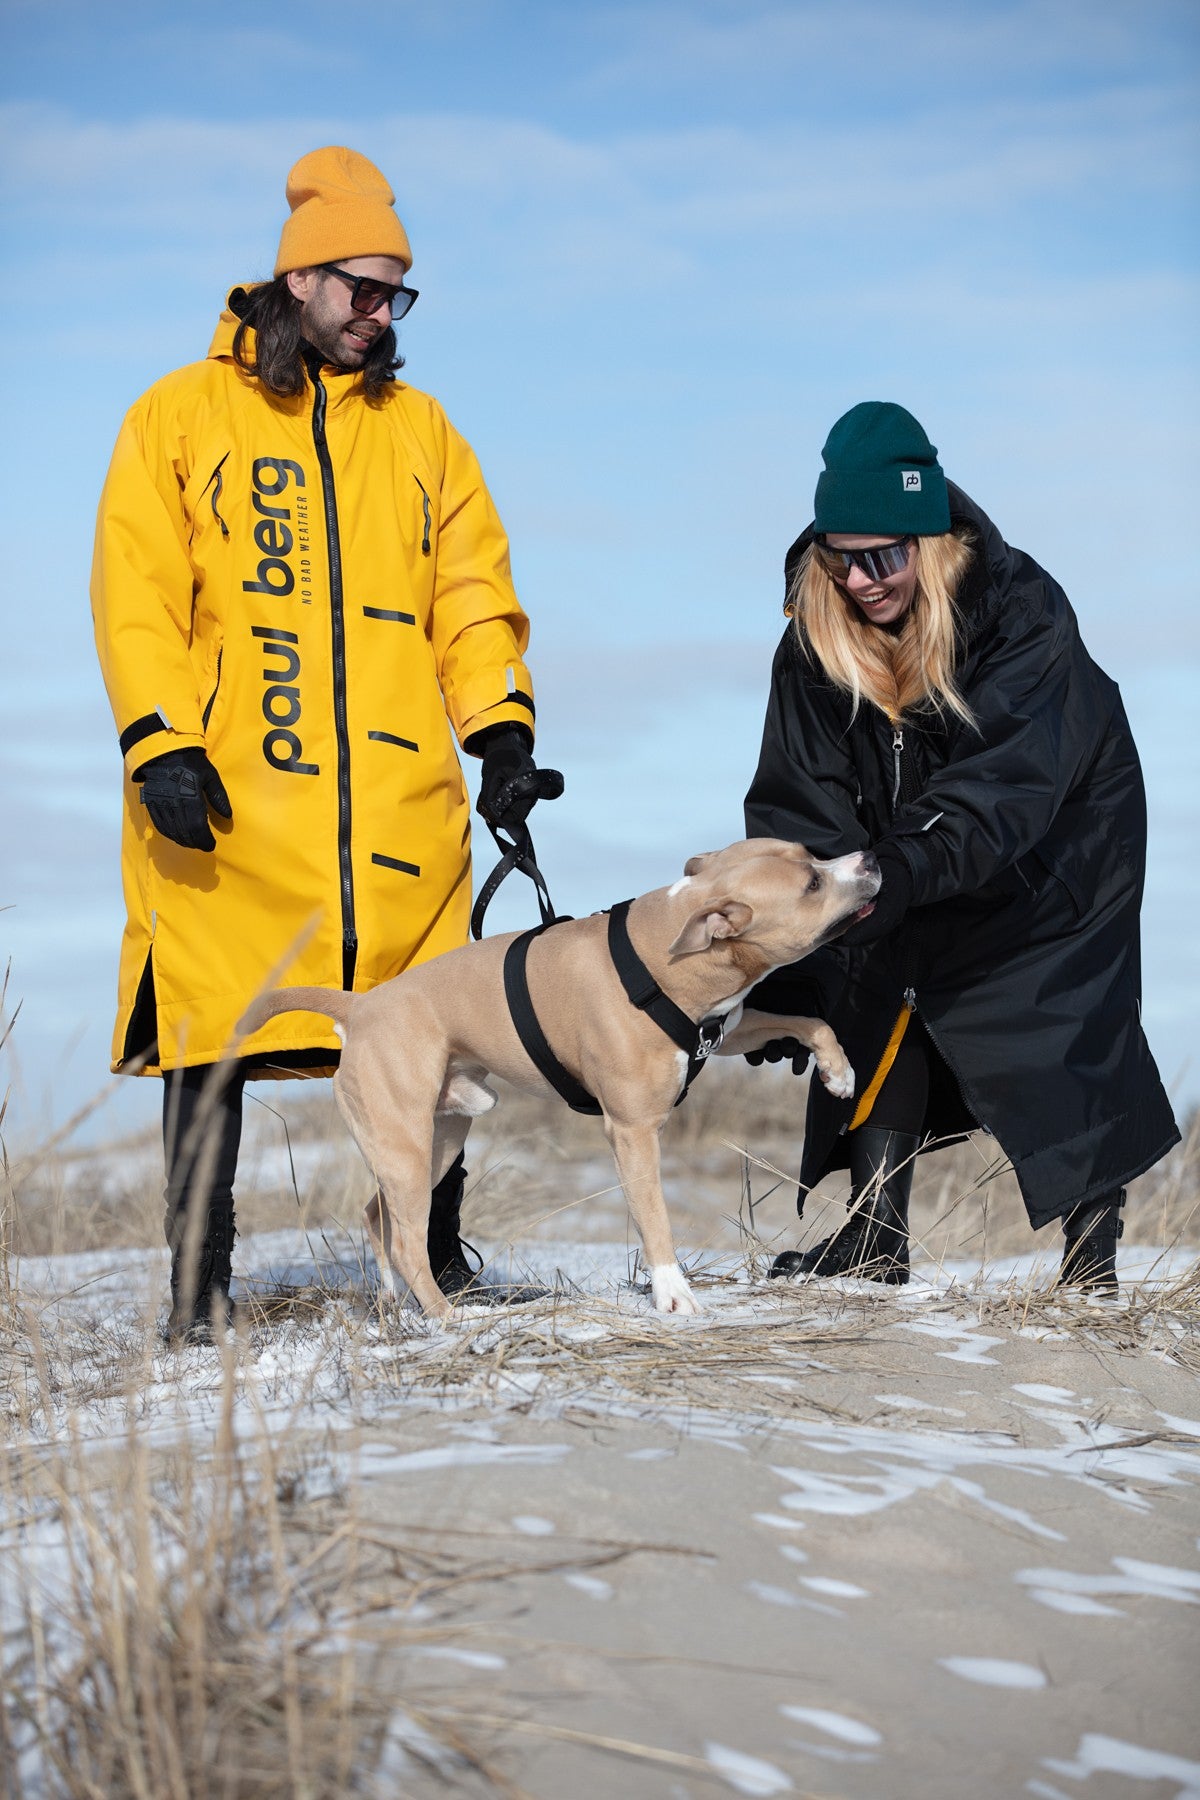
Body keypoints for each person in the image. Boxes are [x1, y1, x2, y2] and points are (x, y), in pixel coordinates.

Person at [91, 147, 560, 1339]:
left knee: (438, 1035)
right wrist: (159, 741)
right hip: (230, 806)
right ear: (298, 278)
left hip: (399, 816)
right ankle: (197, 1292)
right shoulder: (179, 415)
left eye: (398, 294)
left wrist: (501, 732)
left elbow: (472, 596)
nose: (380, 314)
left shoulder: (424, 433)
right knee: (211, 1029)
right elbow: (136, 593)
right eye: (363, 288)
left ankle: (431, 1258)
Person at [744, 401, 1178, 1295]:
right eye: (842, 557)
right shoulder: (815, 636)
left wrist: (901, 868)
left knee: (1059, 1012)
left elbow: (1003, 787)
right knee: (870, 962)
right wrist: (795, 943)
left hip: (1056, 839)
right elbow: (801, 797)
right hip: (916, 837)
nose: (861, 580)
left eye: (883, 556)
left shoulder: (1020, 613)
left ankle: (1091, 1260)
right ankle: (874, 1235)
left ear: (929, 539)